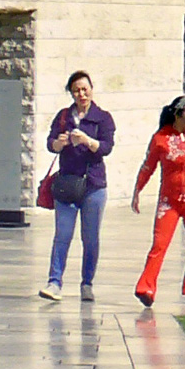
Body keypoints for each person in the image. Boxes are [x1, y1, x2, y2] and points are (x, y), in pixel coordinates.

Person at [131, 95, 185, 310]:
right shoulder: (160, 138)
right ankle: (146, 286)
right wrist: (137, 190)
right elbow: (148, 166)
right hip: (169, 201)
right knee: (159, 244)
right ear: (179, 114)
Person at [39, 70, 116, 301]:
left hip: (93, 185)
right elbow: (50, 144)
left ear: (91, 89)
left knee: (90, 238)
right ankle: (54, 283)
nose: (81, 94)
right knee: (62, 235)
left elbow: (106, 147)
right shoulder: (63, 116)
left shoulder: (102, 118)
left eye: (85, 89)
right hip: (67, 185)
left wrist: (87, 141)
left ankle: (87, 283)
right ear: (71, 94)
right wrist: (59, 143)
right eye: (76, 91)